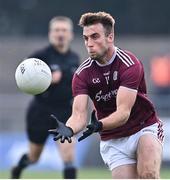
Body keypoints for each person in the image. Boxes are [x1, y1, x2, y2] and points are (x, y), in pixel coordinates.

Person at [48, 12, 164, 179]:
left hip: (143, 127)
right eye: (86, 38)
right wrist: (70, 128)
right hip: (113, 139)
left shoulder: (129, 64)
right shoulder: (82, 74)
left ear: (110, 37)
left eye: (95, 37)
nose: (89, 43)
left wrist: (99, 125)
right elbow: (79, 114)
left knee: (148, 174)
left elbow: (123, 113)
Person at [11, 16, 79, 179]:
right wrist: (46, 79)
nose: (60, 34)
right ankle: (17, 170)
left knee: (68, 156)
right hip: (40, 111)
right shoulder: (39, 57)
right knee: (34, 157)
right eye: (57, 30)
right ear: (50, 33)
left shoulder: (75, 58)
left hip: (64, 112)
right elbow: (23, 77)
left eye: (64, 30)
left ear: (70, 34)